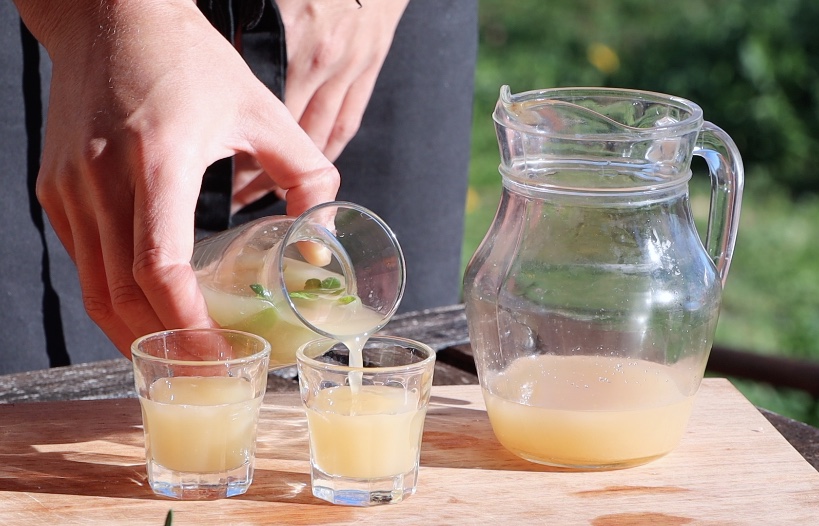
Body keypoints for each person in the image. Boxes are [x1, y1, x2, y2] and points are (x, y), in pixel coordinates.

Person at [0, 0, 477, 374]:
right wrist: (98, 18)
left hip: (359, 26)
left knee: (401, 362)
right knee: (52, 382)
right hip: (67, 28)